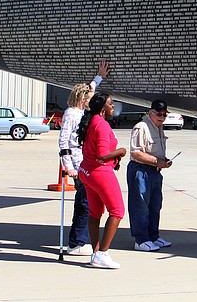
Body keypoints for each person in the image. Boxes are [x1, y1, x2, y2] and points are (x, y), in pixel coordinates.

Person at [58, 60, 110, 256]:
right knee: (84, 203)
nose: (92, 99)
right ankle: (76, 242)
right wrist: (68, 167)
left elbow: (90, 87)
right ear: (81, 98)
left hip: (85, 164)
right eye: (88, 97)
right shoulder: (71, 114)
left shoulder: (82, 112)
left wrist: (99, 77)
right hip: (78, 165)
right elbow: (63, 142)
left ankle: (78, 240)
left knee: (87, 201)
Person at [77, 92, 127, 269]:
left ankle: (96, 253)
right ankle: (103, 253)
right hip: (100, 172)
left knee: (95, 212)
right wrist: (121, 151)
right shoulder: (102, 125)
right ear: (102, 108)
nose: (113, 106)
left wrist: (114, 159)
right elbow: (102, 154)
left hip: (87, 171)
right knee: (117, 210)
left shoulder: (92, 122)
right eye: (110, 104)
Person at [128, 99, 174, 252]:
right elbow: (136, 152)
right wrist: (157, 161)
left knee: (155, 205)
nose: (162, 118)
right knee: (140, 206)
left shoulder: (159, 128)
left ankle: (153, 236)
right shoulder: (141, 127)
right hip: (141, 170)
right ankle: (141, 240)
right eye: (159, 114)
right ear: (151, 113)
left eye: (164, 115)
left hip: (155, 171)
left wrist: (163, 161)